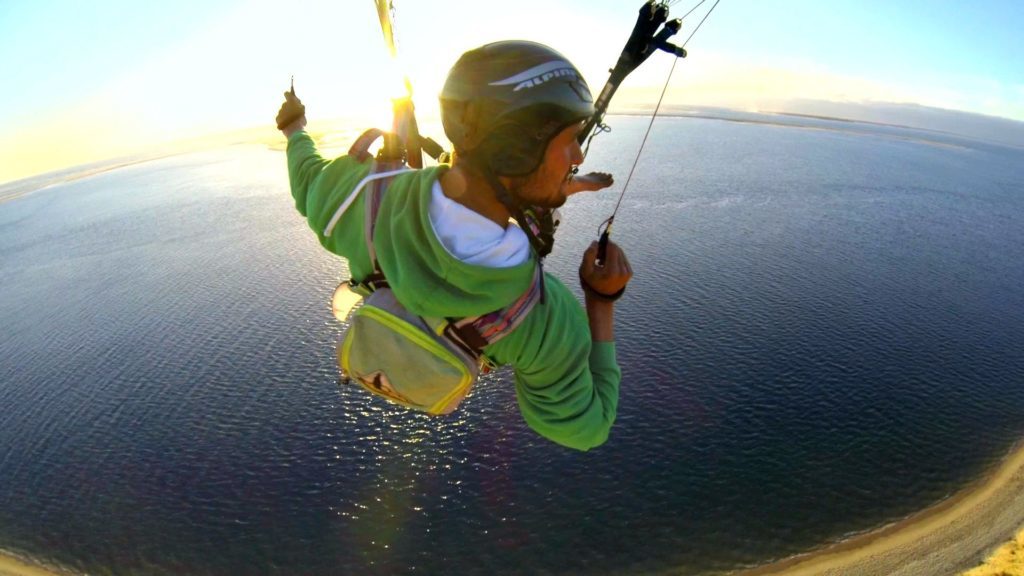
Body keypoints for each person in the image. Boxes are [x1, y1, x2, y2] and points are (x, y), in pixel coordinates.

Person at [276, 40, 633, 451]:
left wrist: (294, 128)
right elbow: (588, 428)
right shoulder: (544, 320)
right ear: (517, 149)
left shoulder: (359, 199)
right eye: (569, 139)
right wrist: (601, 300)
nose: (578, 155)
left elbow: (307, 179)